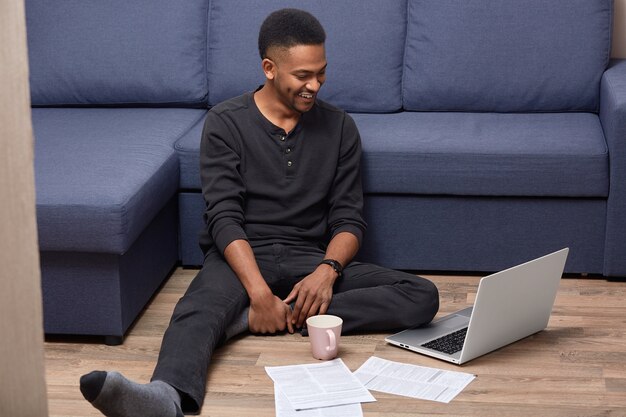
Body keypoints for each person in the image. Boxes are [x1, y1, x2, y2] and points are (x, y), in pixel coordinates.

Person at [79, 8, 439, 417]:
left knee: (420, 296)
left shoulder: (339, 127)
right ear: (269, 68)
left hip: (309, 256)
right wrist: (257, 291)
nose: (315, 85)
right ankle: (166, 397)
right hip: (242, 255)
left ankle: (264, 318)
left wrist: (326, 273)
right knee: (195, 310)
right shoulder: (225, 123)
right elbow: (223, 217)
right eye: (303, 75)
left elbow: (349, 218)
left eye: (321, 73)